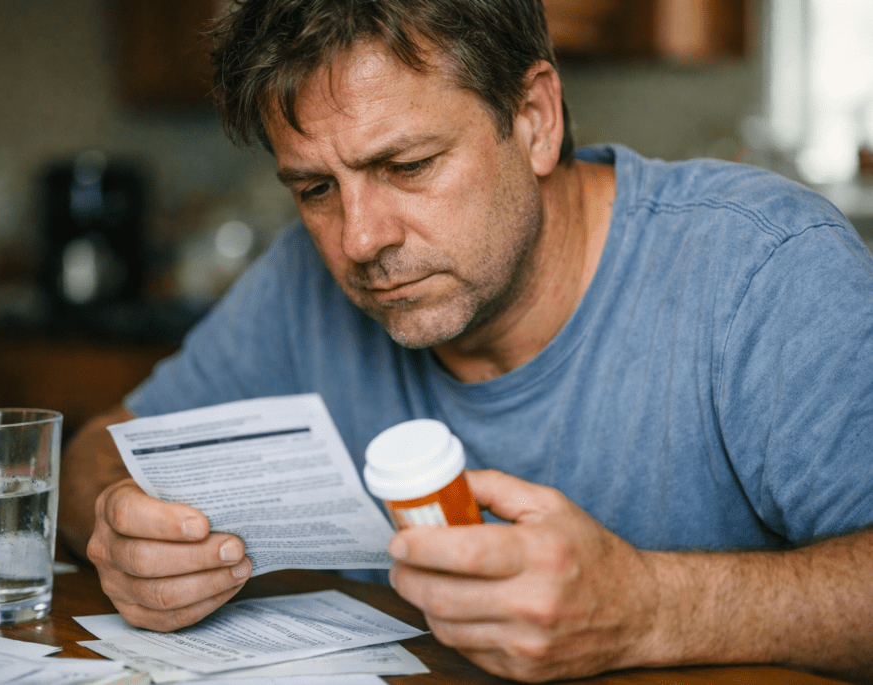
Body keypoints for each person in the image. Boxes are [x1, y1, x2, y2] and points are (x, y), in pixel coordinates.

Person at [58, 0, 873, 681]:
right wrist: (120, 525)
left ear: (534, 119)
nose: (360, 239)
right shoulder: (300, 283)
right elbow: (101, 449)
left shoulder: (765, 269)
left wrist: (653, 608)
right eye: (314, 188)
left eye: (408, 165)